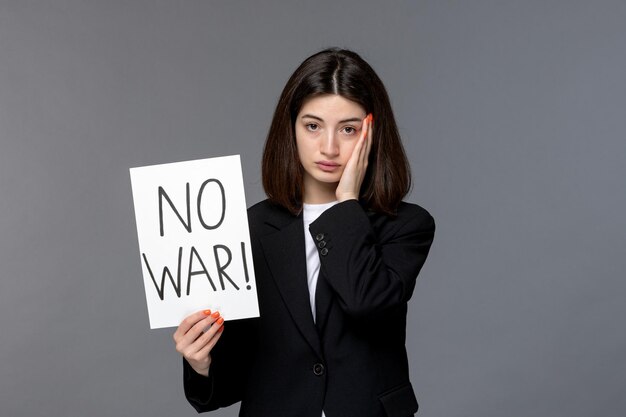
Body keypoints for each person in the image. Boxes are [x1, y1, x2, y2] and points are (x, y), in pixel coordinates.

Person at [173, 48, 435, 417]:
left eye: (349, 129)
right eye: (313, 126)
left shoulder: (406, 226)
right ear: (291, 128)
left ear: (373, 134)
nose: (329, 148)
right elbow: (240, 374)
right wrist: (201, 363)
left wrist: (346, 203)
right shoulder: (250, 229)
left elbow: (367, 304)